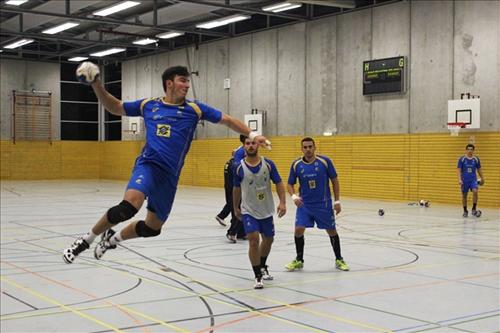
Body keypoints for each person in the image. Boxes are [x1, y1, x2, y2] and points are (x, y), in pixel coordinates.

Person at [63, 63, 271, 264]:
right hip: (149, 166)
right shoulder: (149, 105)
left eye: (188, 81)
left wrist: (252, 134)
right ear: (169, 83)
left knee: (152, 228)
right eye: (183, 81)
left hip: (170, 177)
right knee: (128, 207)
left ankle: (112, 239)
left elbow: (227, 119)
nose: (187, 85)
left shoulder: (195, 109)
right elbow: (115, 107)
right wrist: (96, 84)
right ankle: (85, 240)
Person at [285, 137, 349, 272]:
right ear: (301, 149)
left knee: (332, 231)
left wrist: (337, 201)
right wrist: (294, 196)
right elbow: (289, 184)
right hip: (305, 205)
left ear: (315, 147)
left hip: (323, 204)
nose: (308, 149)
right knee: (298, 230)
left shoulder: (325, 162)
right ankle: (299, 260)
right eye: (305, 147)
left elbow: (335, 180)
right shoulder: (296, 164)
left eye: (310, 147)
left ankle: (339, 259)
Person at [233, 136, 286, 289]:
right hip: (249, 210)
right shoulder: (238, 167)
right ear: (243, 146)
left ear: (258, 145)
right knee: (254, 240)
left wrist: (282, 202)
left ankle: (262, 265)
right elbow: (236, 189)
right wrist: (235, 207)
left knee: (269, 239)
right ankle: (257, 275)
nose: (250, 146)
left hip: (266, 209)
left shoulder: (268, 164)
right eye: (247, 144)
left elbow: (278, 183)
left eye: (253, 143)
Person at [457, 143, 484, 217]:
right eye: (468, 149)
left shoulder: (476, 159)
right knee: (464, 195)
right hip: (464, 180)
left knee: (475, 191)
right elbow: (459, 170)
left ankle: (474, 208)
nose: (470, 151)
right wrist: (459, 179)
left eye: (471, 149)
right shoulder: (462, 159)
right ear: (466, 150)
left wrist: (482, 178)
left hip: (473, 180)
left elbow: (479, 169)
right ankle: (465, 210)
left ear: (473, 150)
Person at [215, 151, 235, 227]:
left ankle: (228, 218)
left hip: (227, 185)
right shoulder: (234, 163)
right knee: (232, 203)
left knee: (231, 202)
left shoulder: (228, 162)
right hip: (233, 186)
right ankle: (221, 216)